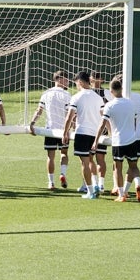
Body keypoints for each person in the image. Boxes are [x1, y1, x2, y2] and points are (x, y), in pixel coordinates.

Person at [91, 77, 136, 202]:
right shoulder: (131, 103)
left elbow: (102, 124)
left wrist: (96, 141)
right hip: (132, 140)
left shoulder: (109, 106)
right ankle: (130, 188)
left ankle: (121, 194)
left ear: (111, 91)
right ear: (122, 88)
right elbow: (135, 121)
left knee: (118, 168)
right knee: (133, 167)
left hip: (118, 141)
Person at [62, 71, 104, 199]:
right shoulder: (98, 97)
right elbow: (103, 116)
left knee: (84, 163)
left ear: (80, 82)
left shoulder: (76, 97)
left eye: (76, 84)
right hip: (94, 134)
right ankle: (95, 184)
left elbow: (69, 117)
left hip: (82, 133)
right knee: (91, 160)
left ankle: (90, 191)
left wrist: (65, 133)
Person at [29, 70, 72, 190]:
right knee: (64, 153)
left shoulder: (46, 93)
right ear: (59, 79)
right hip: (63, 130)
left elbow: (39, 110)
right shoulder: (66, 95)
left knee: (50, 156)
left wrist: (32, 123)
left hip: (50, 130)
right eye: (66, 79)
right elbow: (70, 113)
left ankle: (51, 182)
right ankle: (62, 173)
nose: (67, 82)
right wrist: (72, 126)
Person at [113, 74, 140, 201]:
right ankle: (136, 185)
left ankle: (122, 192)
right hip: (138, 137)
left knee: (118, 165)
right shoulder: (138, 97)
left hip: (124, 138)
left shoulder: (121, 99)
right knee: (133, 165)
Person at [88, 70, 111, 193]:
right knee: (98, 158)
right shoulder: (106, 92)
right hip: (101, 129)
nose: (96, 80)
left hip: (94, 129)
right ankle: (98, 184)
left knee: (91, 158)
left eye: (97, 78)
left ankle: (97, 184)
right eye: (94, 77)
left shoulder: (88, 93)